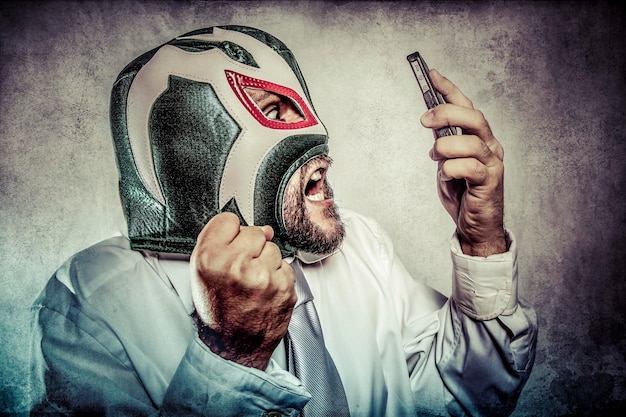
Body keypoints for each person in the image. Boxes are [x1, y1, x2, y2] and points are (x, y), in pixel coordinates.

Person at [30, 25, 537, 417]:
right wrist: (231, 358)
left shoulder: (360, 241)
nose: (317, 132)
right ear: (188, 145)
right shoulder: (89, 301)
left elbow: (457, 399)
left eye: (301, 106)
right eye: (275, 109)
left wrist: (481, 241)